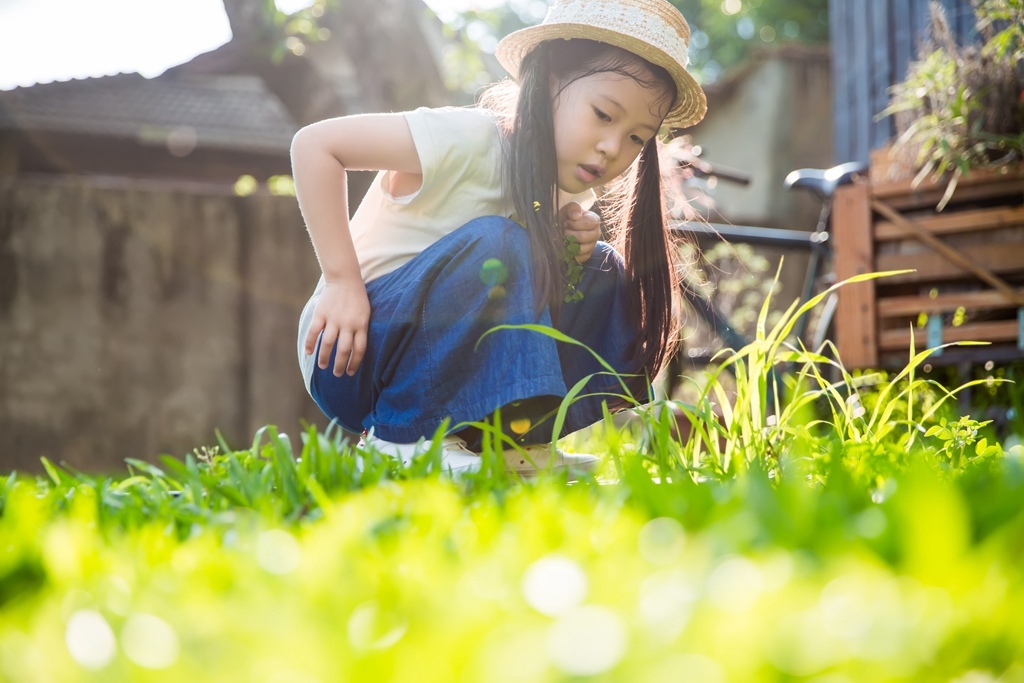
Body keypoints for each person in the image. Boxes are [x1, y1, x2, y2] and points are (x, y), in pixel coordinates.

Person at [292, 0, 707, 477]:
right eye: (603, 114)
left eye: (637, 138)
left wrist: (577, 248)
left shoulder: (565, 192)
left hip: (426, 362)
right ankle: (399, 441)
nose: (613, 147)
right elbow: (315, 145)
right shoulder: (467, 139)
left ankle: (507, 443)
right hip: (351, 349)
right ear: (548, 80)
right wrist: (341, 282)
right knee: (502, 243)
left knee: (604, 268)